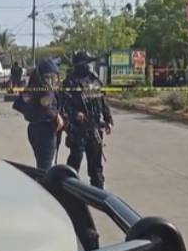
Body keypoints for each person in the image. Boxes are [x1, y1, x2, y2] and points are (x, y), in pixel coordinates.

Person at [62, 52, 113, 189]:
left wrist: (108, 120)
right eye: (87, 63)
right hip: (78, 129)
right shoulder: (70, 82)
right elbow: (63, 105)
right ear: (79, 64)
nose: (90, 66)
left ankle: (98, 194)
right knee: (74, 163)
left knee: (96, 166)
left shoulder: (94, 80)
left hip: (95, 127)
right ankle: (68, 192)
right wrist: (74, 114)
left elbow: (103, 101)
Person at [12, 58, 64, 171]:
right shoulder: (45, 90)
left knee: (41, 165)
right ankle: (41, 188)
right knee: (44, 169)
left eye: (53, 77)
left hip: (34, 129)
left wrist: (33, 112)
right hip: (45, 131)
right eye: (50, 77)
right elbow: (46, 107)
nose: (52, 80)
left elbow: (18, 104)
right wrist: (56, 116)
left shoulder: (32, 87)